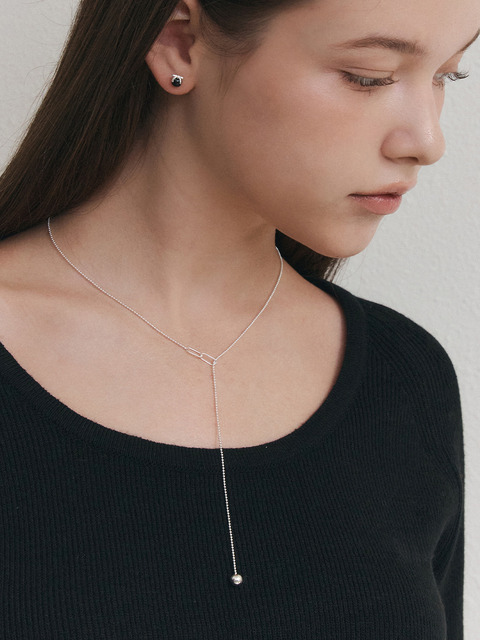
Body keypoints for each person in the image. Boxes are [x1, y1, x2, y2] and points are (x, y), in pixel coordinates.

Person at [0, 0, 477, 636]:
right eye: (369, 75)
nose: (428, 141)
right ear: (179, 44)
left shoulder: (407, 379)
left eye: (447, 75)